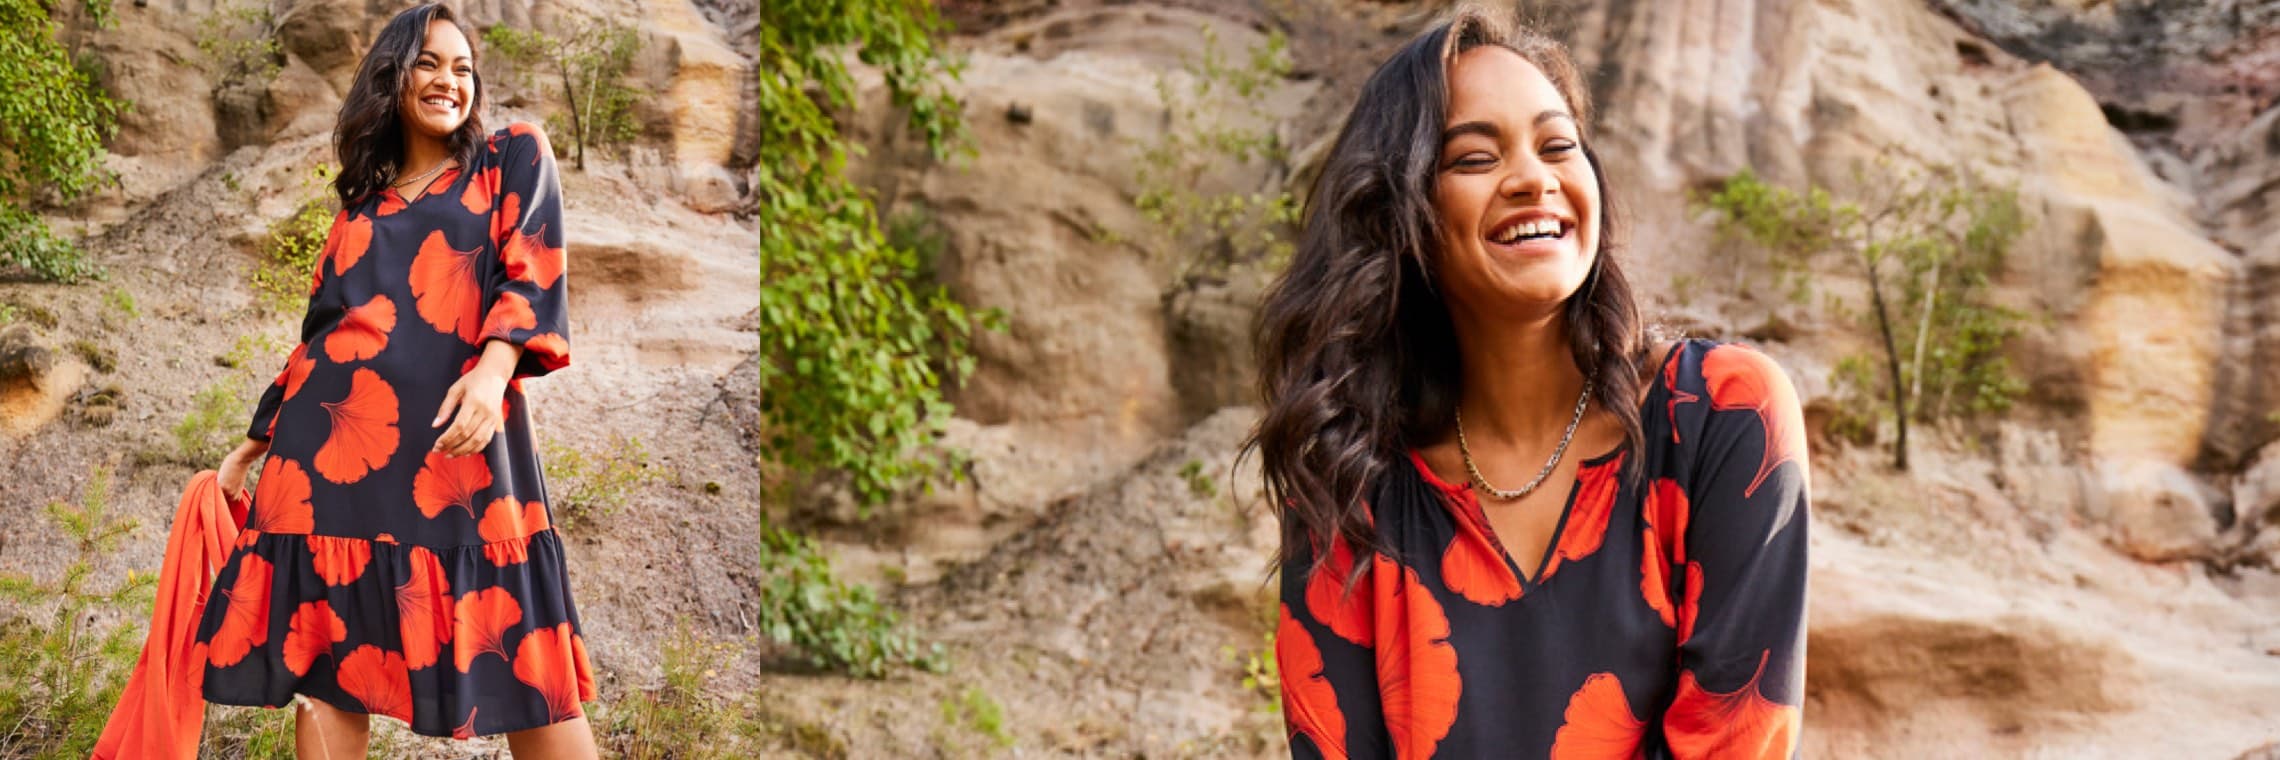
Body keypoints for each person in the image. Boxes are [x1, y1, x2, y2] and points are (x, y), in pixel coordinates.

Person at [1247, 5, 1810, 758]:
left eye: (1558, 145)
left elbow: (1737, 739)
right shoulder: (1347, 482)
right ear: (1398, 212)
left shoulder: (1720, 415)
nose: (1533, 180)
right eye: (1475, 159)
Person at [201, 4, 596, 757]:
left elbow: (532, 265)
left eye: (463, 68)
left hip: (460, 459)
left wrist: (494, 369)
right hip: (327, 468)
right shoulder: (358, 211)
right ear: (393, 74)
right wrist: (256, 443)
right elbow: (319, 338)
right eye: (429, 63)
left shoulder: (512, 155)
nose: (450, 80)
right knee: (326, 664)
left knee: (531, 660)